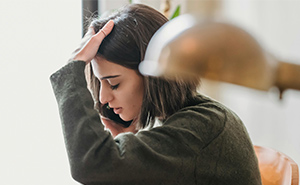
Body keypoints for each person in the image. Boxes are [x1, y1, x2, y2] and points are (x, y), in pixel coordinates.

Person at [50, 3, 262, 185]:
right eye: (100, 83)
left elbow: (92, 164)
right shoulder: (186, 119)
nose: (104, 99)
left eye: (114, 84)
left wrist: (72, 70)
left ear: (152, 77)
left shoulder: (204, 127)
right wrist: (127, 146)